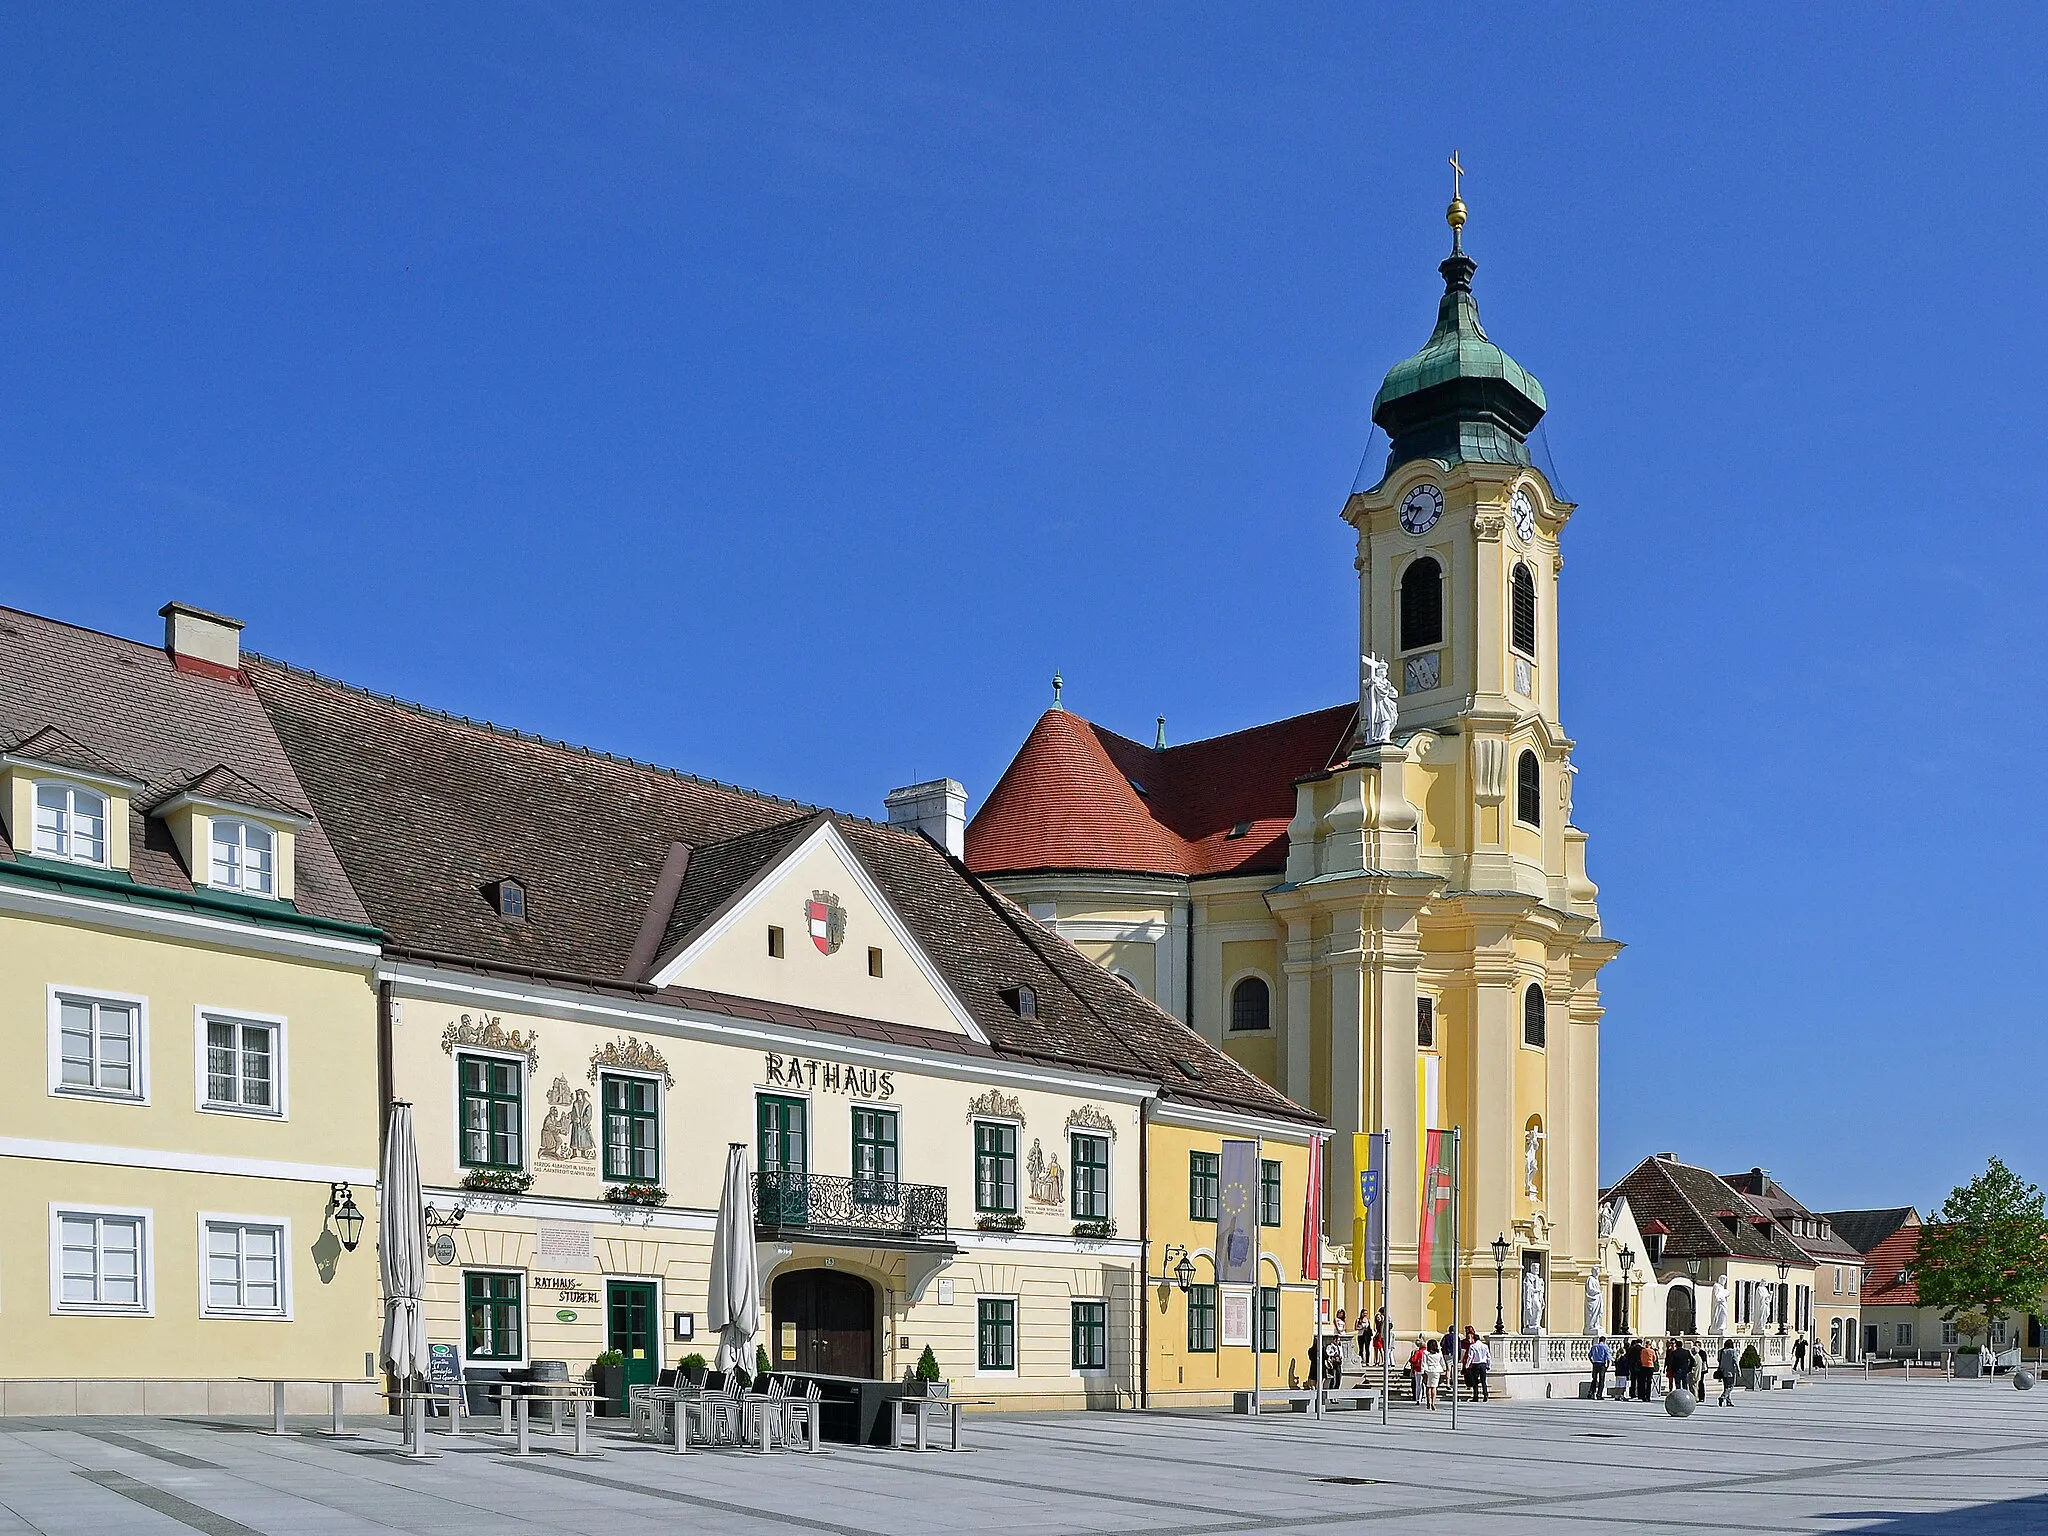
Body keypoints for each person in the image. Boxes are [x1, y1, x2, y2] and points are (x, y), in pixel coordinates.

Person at [1467, 1330, 1492, 1402]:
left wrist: (1467, 1365)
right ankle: (1485, 1394)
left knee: (1475, 1381)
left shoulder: (1472, 1346)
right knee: (1483, 1381)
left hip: (1476, 1364)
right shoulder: (1485, 1346)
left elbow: (1470, 1356)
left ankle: (1476, 1396)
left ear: (1474, 1339)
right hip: (1483, 1364)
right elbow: (1488, 1356)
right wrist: (1488, 1365)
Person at [1421, 1337, 1444, 1411]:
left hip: (1428, 1370)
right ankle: (1433, 1402)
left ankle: (1428, 1402)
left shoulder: (1426, 1353)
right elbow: (1442, 1361)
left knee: (1428, 1387)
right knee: (1434, 1387)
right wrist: (1444, 1368)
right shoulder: (1439, 1353)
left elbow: (1423, 1363)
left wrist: (1422, 1371)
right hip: (1437, 1370)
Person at [1716, 1339, 1739, 1407]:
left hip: (1723, 1371)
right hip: (1730, 1372)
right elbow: (1735, 1361)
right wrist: (1738, 1371)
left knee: (1726, 1387)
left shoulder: (1721, 1351)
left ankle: (1728, 1401)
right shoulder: (1732, 1351)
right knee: (1731, 1386)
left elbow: (1719, 1360)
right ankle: (1723, 1397)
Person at [1588, 1334, 1612, 1399]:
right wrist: (1607, 1366)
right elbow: (1608, 1357)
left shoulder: (1594, 1346)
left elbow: (1589, 1355)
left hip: (1595, 1364)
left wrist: (1592, 1361)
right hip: (1602, 1364)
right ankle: (1599, 1395)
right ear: (1604, 1341)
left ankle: (1591, 1392)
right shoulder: (1605, 1347)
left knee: (1594, 1379)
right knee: (1601, 1380)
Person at [1407, 1338, 1426, 1403]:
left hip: (1418, 1369)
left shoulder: (1417, 1352)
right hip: (1427, 1369)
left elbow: (1413, 1360)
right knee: (1426, 1384)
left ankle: (1418, 1398)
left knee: (1418, 1384)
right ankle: (1426, 1397)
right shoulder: (1427, 1352)